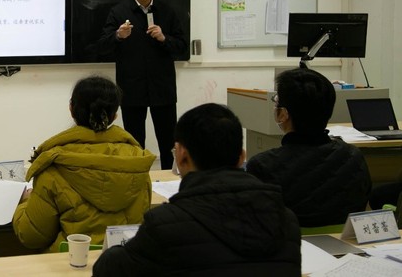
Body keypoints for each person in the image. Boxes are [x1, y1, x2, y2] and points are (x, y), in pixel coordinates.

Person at [92, 103, 301, 277]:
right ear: (242, 157)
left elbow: (108, 270)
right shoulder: (287, 220)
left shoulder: (165, 225)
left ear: (181, 155)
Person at [12, 75, 156, 252]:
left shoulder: (54, 164)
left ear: (71, 109)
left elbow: (32, 237)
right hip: (124, 260)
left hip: (70, 261)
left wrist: (26, 202)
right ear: (114, 115)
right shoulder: (138, 162)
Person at [246, 68, 372, 227]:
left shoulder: (262, 166)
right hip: (344, 240)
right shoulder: (353, 157)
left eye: (276, 101)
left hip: (290, 241)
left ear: (283, 114)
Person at [97, 0, 188, 169]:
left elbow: (182, 46)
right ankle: (136, 178)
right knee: (134, 141)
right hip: (131, 88)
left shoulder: (167, 11)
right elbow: (102, 46)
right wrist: (118, 35)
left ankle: (169, 178)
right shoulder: (119, 12)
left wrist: (164, 38)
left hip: (162, 87)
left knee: (168, 140)